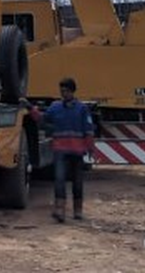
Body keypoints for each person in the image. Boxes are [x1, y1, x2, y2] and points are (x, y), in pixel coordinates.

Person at [39, 77, 95, 222]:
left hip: (76, 151)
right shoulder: (55, 107)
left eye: (66, 91)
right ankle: (60, 211)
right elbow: (42, 119)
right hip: (61, 150)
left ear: (72, 91)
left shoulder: (82, 109)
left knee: (77, 182)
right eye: (62, 91)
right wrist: (30, 109)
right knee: (59, 180)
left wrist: (90, 148)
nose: (64, 94)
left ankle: (78, 211)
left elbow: (88, 130)